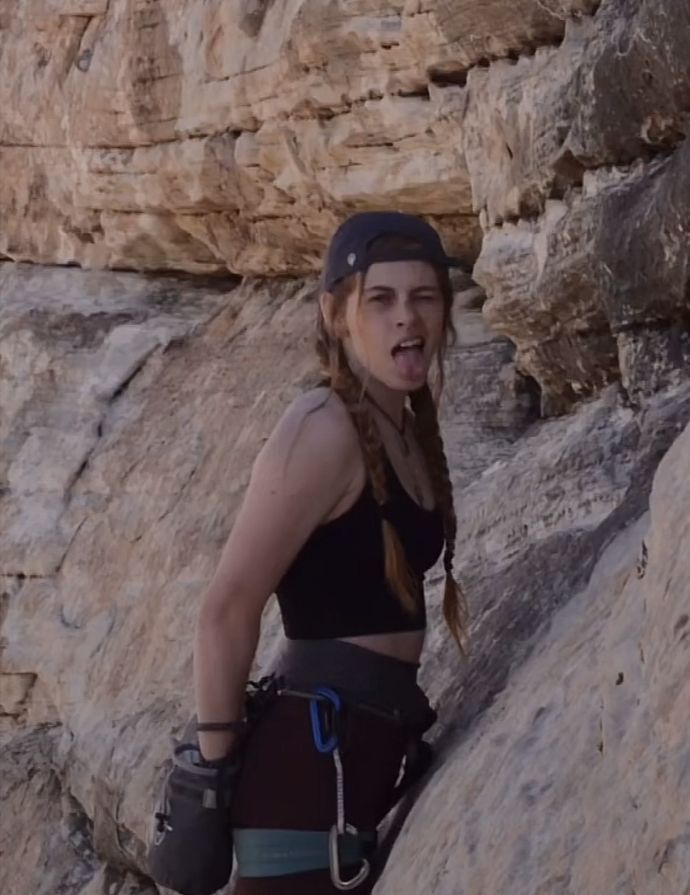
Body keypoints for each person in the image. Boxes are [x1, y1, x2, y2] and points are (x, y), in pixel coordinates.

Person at [192, 211, 471, 893]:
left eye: (423, 297)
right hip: (303, 783)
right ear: (337, 313)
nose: (407, 319)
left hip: (362, 764)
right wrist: (211, 783)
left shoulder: (400, 426)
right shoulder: (319, 429)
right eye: (381, 300)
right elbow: (226, 609)